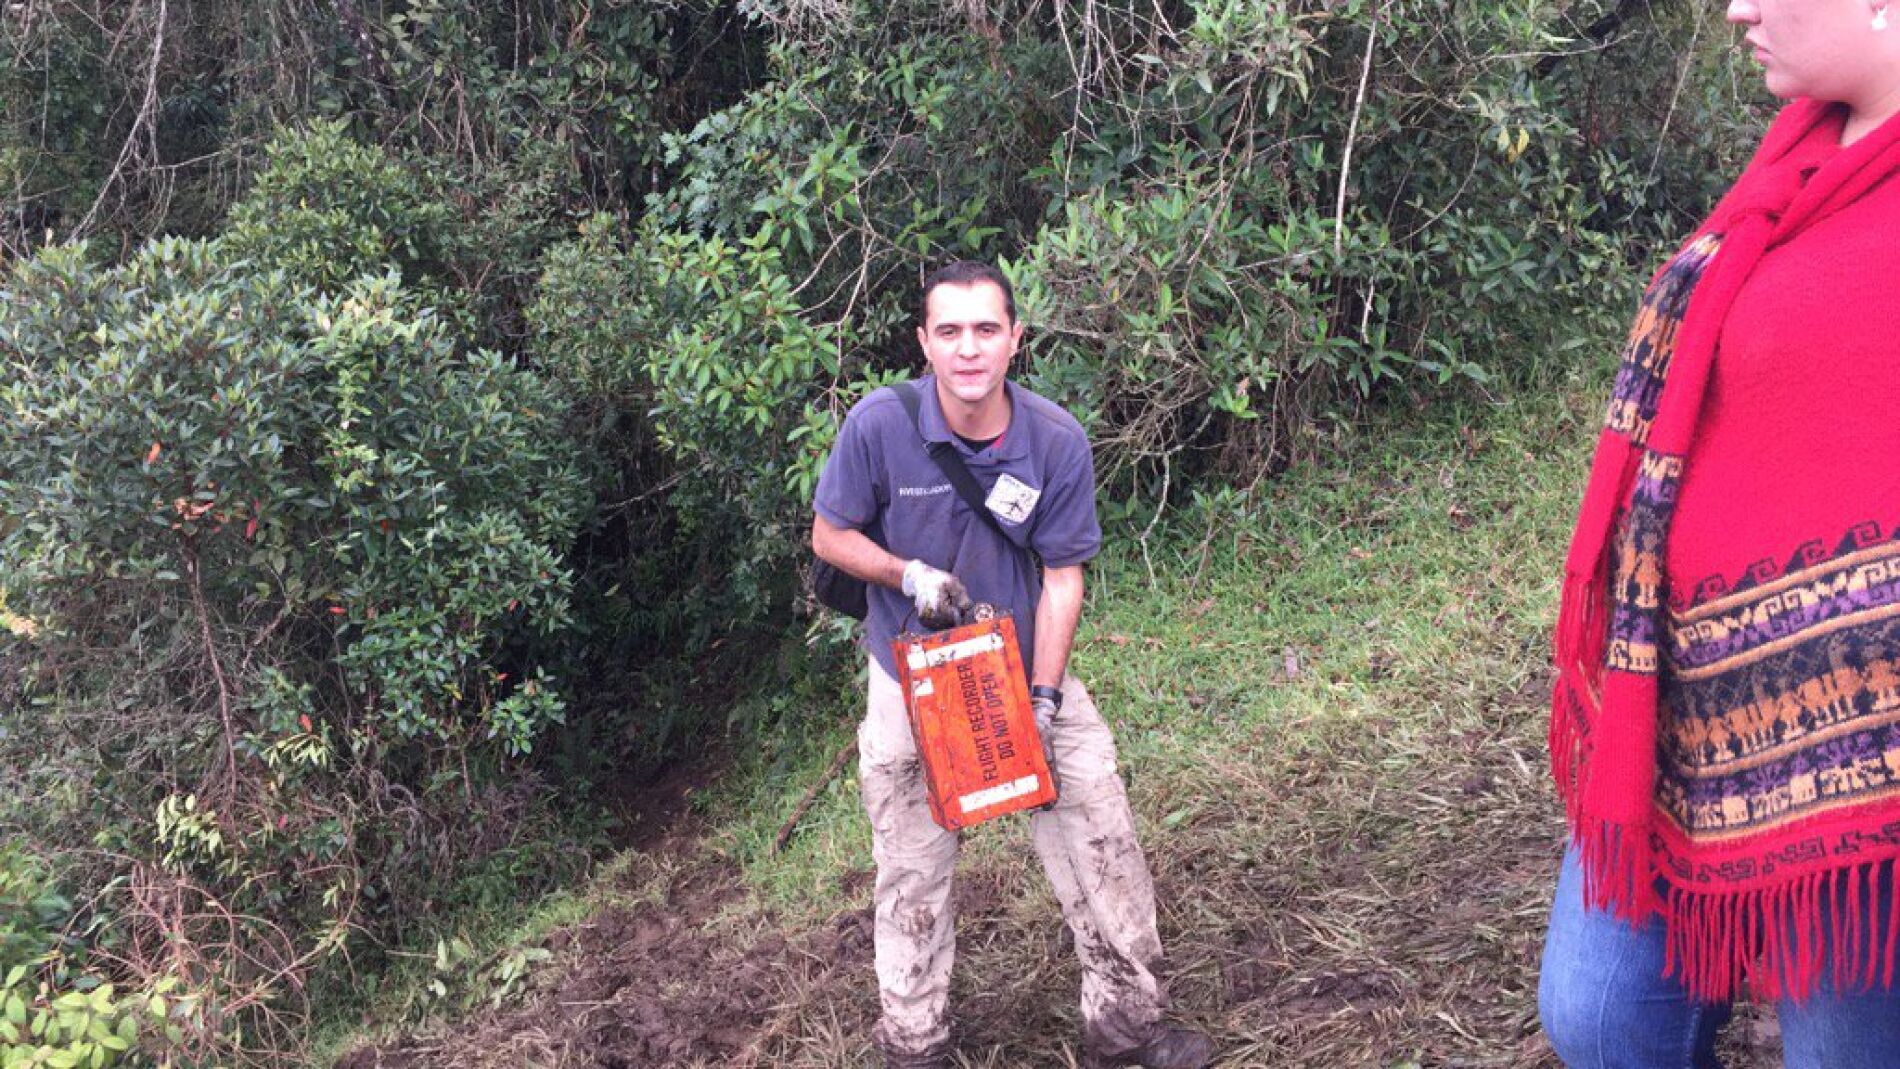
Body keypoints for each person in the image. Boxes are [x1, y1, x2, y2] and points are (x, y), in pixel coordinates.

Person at [1537, 1, 1900, 1065]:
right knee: (1601, 1015)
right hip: (1680, 701)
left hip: (1850, 755)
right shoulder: (1799, 154)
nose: (1737, 7)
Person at [811, 261, 1216, 1069]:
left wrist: (1043, 696)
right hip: (912, 679)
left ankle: (1125, 1029)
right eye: (950, 331)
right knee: (911, 869)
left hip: (1023, 666)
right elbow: (829, 535)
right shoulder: (878, 426)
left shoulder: (1053, 439)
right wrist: (905, 573)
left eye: (987, 330)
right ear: (924, 343)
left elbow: (1064, 580)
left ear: (1015, 339)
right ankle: (915, 1043)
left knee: (1101, 828)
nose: (969, 350)